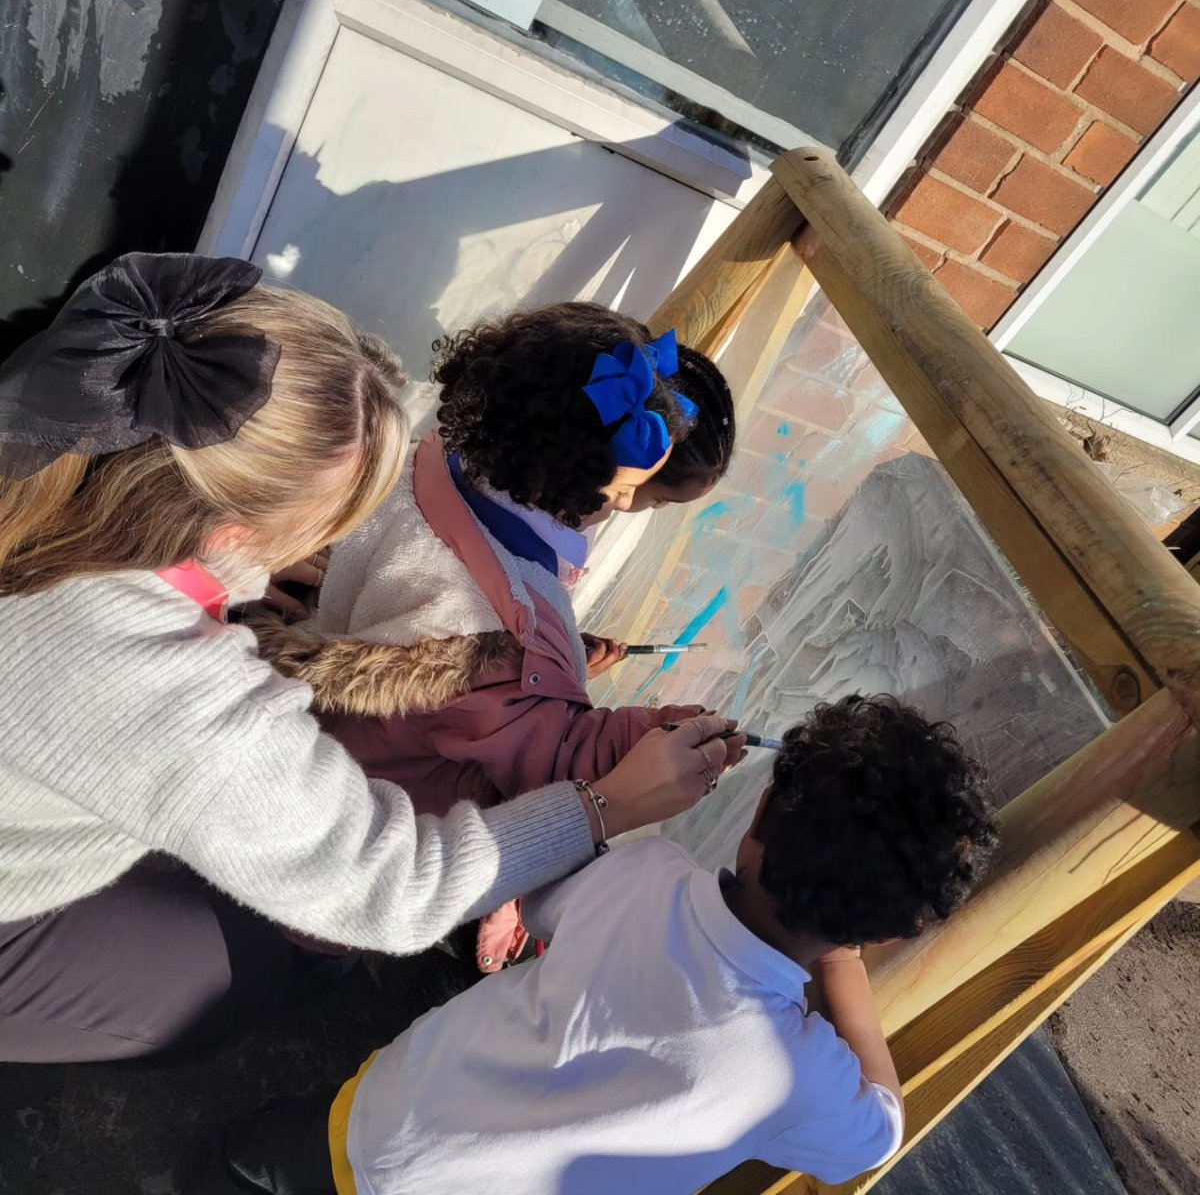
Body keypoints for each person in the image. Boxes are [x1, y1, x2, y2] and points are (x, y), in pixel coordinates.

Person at [0, 255, 738, 1063]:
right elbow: (395, 892)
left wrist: (248, 583)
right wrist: (605, 806)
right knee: (221, 986)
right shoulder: (174, 692)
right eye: (340, 514)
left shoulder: (62, 428)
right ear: (233, 532)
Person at [223, 694, 999, 1195]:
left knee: (274, 1156)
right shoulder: (799, 1077)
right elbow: (876, 1136)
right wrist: (844, 973)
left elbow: (538, 903)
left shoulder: (644, 870)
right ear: (894, 930)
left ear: (759, 814)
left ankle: (233, 1161)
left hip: (387, 1121)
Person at [252, 302, 739, 969]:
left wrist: (547, 671)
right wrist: (659, 733)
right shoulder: (511, 647)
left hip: (304, 753)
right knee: (293, 967)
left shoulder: (434, 462)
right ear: (568, 476)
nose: (627, 505)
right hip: (354, 861)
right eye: (630, 490)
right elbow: (559, 757)